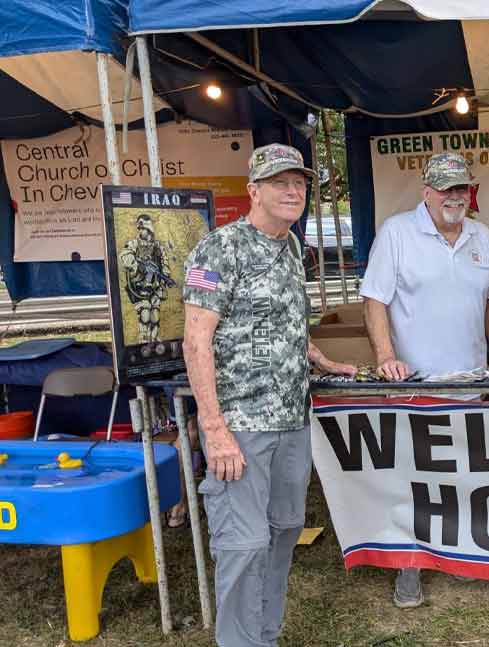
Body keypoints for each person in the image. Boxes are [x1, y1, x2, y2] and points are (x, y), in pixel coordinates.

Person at [183, 143, 357, 647]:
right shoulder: (220, 248)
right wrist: (214, 431)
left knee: (284, 529)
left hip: (290, 420)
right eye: (280, 182)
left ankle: (265, 634)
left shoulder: (292, 248)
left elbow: (284, 322)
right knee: (243, 543)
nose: (292, 190)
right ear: (253, 190)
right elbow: (196, 341)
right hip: (240, 425)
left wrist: (319, 358)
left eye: (299, 182)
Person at [360, 152, 489, 608]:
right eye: (444, 188)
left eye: (460, 188)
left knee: (466, 471)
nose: (453, 196)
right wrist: (386, 356)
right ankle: (410, 562)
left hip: (470, 382)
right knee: (412, 478)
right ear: (426, 192)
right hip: (415, 385)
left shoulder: (483, 237)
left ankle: (460, 552)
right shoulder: (397, 233)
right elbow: (374, 301)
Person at [120, 213, 175, 342]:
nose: (139, 231)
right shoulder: (133, 244)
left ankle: (154, 338)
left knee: (155, 316)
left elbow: (164, 262)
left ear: (149, 229)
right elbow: (125, 256)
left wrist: (166, 278)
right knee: (145, 315)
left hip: (155, 287)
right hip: (140, 287)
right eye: (139, 228)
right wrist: (138, 266)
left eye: (142, 228)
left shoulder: (157, 247)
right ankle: (143, 340)